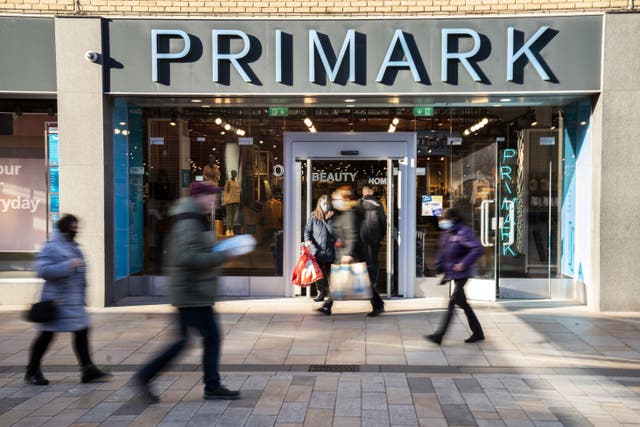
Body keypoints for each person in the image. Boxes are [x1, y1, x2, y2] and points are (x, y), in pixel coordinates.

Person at [134, 182, 240, 403]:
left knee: (196, 340)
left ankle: (210, 384)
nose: (215, 201)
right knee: (202, 339)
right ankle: (147, 376)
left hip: (194, 291)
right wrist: (222, 256)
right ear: (198, 197)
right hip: (191, 292)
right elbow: (188, 257)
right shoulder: (189, 221)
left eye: (215, 197)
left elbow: (196, 251)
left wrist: (217, 250)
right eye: (210, 197)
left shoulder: (194, 218)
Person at [25, 214, 110, 386]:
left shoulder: (74, 247)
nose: (75, 231)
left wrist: (83, 296)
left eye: (76, 227)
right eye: (72, 228)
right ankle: (32, 371)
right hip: (58, 302)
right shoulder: (52, 247)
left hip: (74, 302)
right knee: (46, 336)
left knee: (82, 331)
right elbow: (42, 270)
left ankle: (88, 369)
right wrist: (67, 266)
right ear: (64, 228)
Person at [426, 208, 485, 345]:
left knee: (452, 304)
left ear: (453, 219)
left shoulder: (463, 232)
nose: (442, 222)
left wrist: (463, 263)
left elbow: (477, 248)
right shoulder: (447, 233)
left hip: (462, 273)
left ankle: (439, 335)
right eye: (441, 220)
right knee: (463, 304)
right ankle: (478, 333)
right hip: (453, 272)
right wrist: (438, 265)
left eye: (444, 220)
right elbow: (443, 251)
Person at [318, 186, 363, 316]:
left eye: (337, 199)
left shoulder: (350, 214)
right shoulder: (343, 212)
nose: (335, 202)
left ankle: (327, 306)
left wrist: (348, 253)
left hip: (348, 254)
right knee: (339, 281)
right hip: (342, 253)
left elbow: (352, 235)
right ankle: (327, 306)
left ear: (345, 199)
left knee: (343, 281)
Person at [358, 185, 387, 317]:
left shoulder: (359, 204)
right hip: (375, 239)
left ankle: (366, 288)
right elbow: (383, 222)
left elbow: (356, 222)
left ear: (364, 192)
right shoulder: (378, 204)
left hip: (362, 239)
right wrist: (381, 236)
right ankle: (373, 283)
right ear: (372, 192)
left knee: (363, 264)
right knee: (374, 262)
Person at [303, 195, 335, 302]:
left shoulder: (333, 216)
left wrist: (327, 219)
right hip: (318, 249)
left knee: (331, 273)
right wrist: (308, 241)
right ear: (319, 204)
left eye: (327, 204)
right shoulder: (313, 216)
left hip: (330, 250)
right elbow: (308, 230)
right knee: (319, 273)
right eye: (323, 204)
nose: (325, 206)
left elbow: (333, 232)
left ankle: (331, 293)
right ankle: (321, 293)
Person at [223, 169, 241, 236]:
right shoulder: (228, 182)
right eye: (233, 173)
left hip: (235, 200)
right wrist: (225, 200)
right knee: (229, 216)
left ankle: (232, 229)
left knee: (233, 216)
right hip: (229, 200)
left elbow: (238, 192)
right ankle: (227, 229)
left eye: (235, 173)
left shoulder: (237, 182)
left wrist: (238, 200)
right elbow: (225, 191)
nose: (234, 174)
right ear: (231, 174)